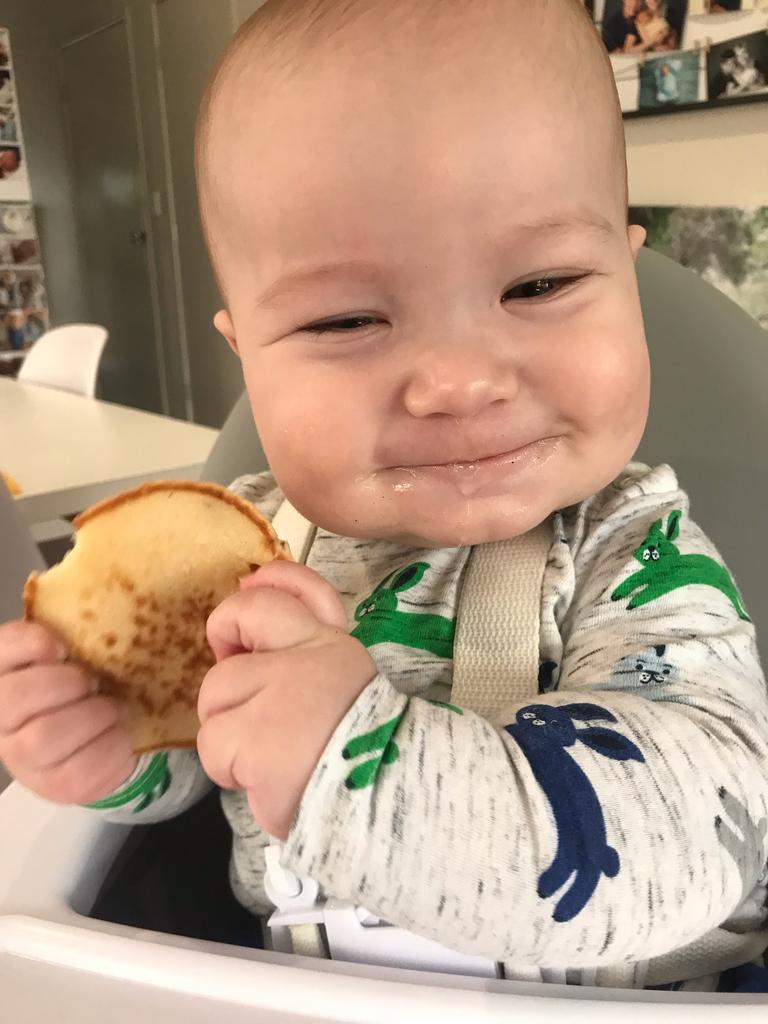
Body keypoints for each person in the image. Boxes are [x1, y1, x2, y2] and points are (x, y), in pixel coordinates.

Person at [1, 0, 767, 993]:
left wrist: (349, 760)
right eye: (350, 318)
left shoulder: (634, 553)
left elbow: (695, 842)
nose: (458, 380)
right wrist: (117, 762)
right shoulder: (254, 550)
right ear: (250, 361)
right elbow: (207, 767)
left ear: (625, 269)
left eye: (537, 286)